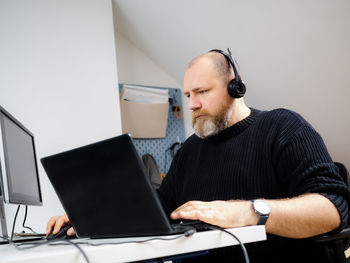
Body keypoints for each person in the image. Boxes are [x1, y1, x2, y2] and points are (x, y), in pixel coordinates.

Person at [46, 49, 350, 262]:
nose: (191, 104)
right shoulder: (190, 150)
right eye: (188, 94)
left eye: (201, 92)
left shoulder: (284, 126)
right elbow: (158, 210)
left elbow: (334, 209)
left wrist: (249, 212)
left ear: (235, 86)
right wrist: (93, 218)